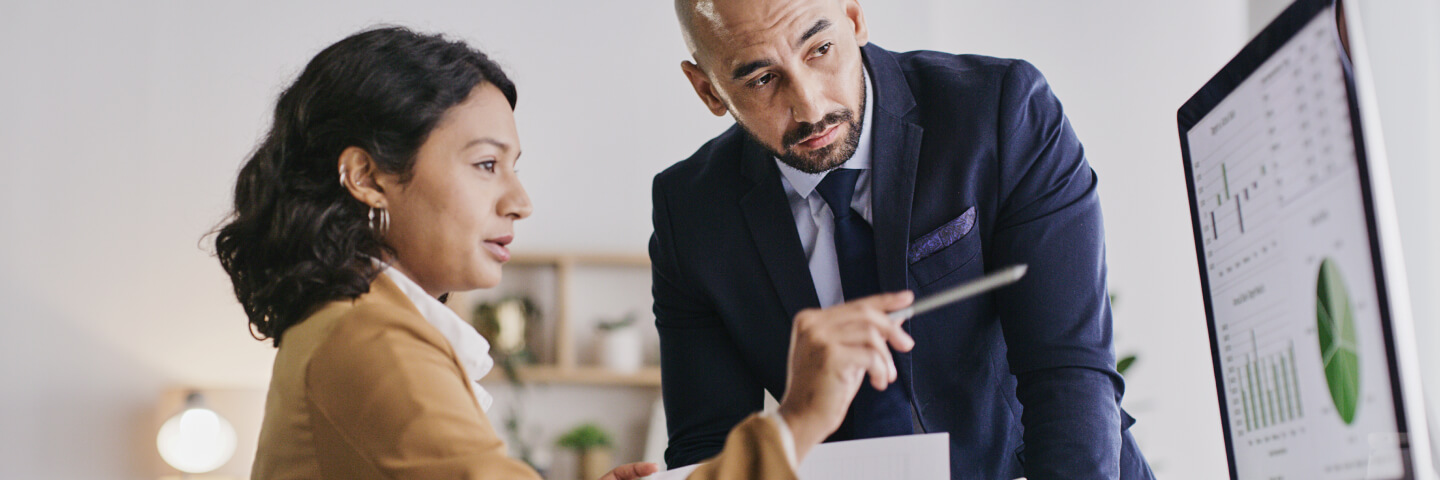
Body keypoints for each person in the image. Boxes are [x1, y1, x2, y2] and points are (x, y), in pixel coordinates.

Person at [214, 26, 916, 480]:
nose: (519, 200)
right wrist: (796, 424)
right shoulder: (370, 338)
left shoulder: (355, 326)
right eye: (486, 165)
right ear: (368, 176)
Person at [651, 0, 1157, 479]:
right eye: (762, 78)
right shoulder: (691, 213)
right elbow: (708, 451)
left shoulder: (1001, 111)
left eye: (820, 50)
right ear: (709, 91)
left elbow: (1069, 371)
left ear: (853, 17)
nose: (810, 106)